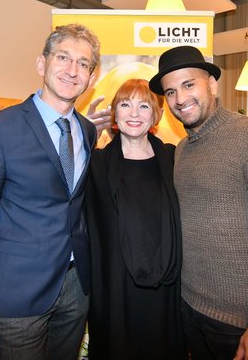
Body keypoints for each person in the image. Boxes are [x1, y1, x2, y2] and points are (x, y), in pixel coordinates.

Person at [0, 23, 109, 360]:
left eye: (83, 63)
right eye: (63, 57)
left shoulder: (86, 130)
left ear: (91, 77)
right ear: (42, 64)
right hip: (18, 293)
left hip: (76, 289)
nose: (72, 70)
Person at [149, 46, 248, 360]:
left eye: (188, 84)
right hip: (188, 309)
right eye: (171, 92)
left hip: (240, 323)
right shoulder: (182, 149)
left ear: (212, 84)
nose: (180, 98)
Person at [84, 79, 186, 360]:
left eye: (144, 106)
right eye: (125, 105)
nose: (134, 113)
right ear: (114, 114)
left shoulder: (173, 159)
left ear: (155, 115)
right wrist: (83, 137)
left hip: (164, 287)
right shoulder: (95, 164)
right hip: (114, 288)